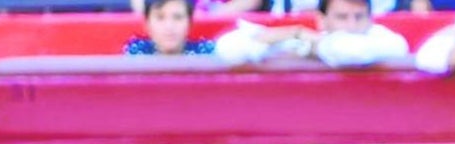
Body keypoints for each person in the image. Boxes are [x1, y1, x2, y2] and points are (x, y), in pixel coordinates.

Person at [213, 0, 409, 66]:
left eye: (359, 17)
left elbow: (350, 51)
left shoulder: (383, 37)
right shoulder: (300, 39)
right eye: (342, 17)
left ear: (370, 18)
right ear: (321, 20)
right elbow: (227, 48)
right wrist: (293, 33)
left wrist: (314, 45)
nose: (352, 25)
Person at [124, 0, 217, 55]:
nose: (169, 26)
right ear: (147, 23)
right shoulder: (137, 52)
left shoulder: (205, 53)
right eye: (160, 17)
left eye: (177, 17)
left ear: (190, 23)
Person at [131, 0, 265, 16]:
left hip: (224, 27)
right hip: (171, 32)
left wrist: (212, 16)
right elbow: (141, 5)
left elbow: (251, 2)